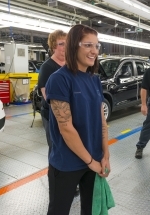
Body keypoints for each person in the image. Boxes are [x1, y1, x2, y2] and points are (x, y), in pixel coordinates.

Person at [45, 24, 110, 215]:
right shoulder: (59, 79)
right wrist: (91, 161)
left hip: (95, 158)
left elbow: (102, 120)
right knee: (58, 210)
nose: (94, 51)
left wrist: (105, 154)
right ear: (74, 46)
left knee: (91, 210)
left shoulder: (94, 79)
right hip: (67, 163)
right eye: (88, 45)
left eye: (97, 46)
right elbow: (66, 128)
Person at [38, 29, 67, 156]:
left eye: (67, 43)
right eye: (61, 44)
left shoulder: (70, 65)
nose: (65, 47)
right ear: (53, 47)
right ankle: (54, 174)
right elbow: (47, 96)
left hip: (68, 113)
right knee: (56, 147)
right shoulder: (47, 67)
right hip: (52, 115)